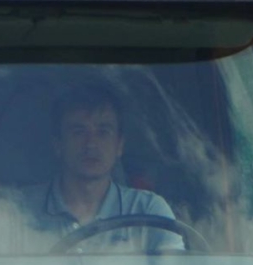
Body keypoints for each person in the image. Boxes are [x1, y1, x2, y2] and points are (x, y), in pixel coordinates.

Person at [23, 84, 187, 253]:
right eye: (78, 132)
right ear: (58, 145)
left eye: (103, 132)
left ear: (119, 145)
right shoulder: (20, 212)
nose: (91, 144)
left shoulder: (149, 211)